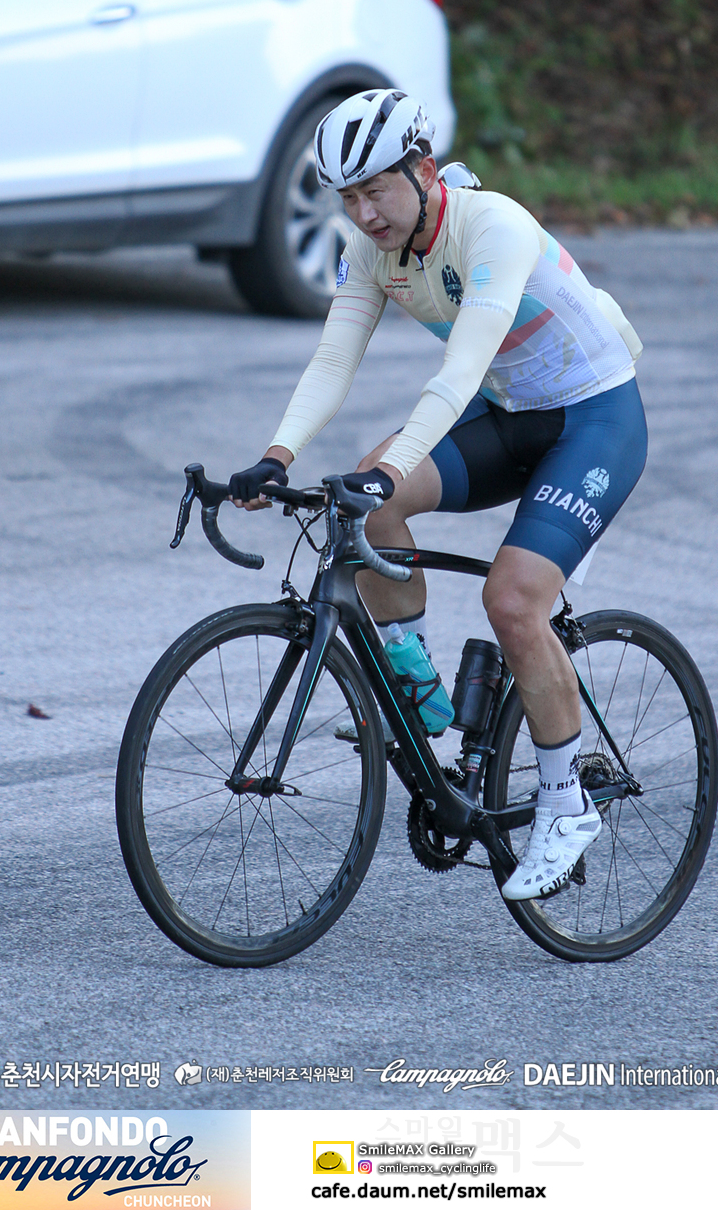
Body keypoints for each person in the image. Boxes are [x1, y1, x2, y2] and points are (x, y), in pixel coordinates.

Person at [229, 89, 647, 902]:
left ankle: (566, 806)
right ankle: (418, 697)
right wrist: (277, 456)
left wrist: (392, 467)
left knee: (513, 602)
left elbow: (459, 373)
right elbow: (334, 359)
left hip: (594, 421)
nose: (364, 214)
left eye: (376, 190)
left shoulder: (495, 227)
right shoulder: (372, 250)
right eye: (347, 198)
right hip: (510, 414)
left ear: (423, 172)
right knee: (370, 499)